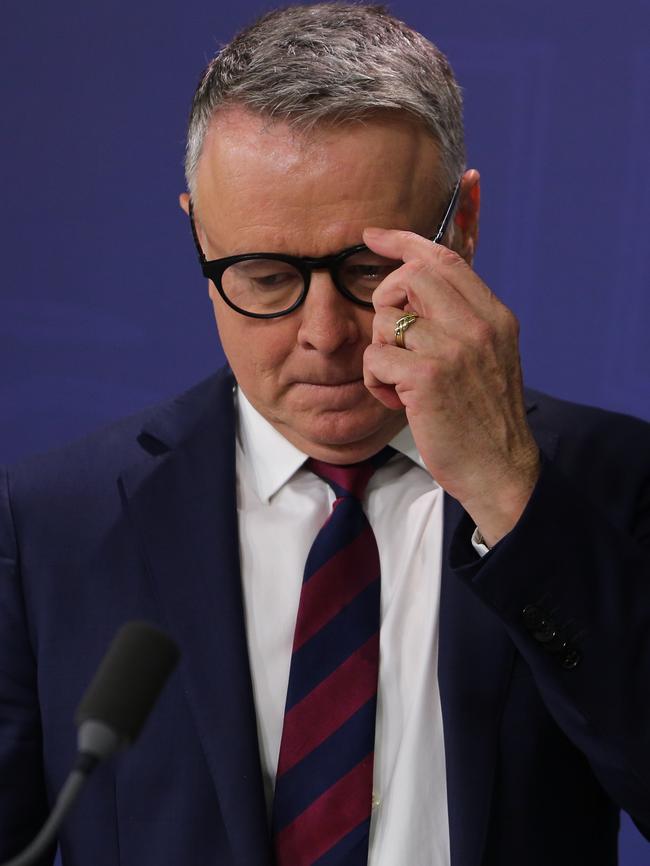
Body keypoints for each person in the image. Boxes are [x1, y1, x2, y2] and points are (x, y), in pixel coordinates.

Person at [1, 4, 648, 865]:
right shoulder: (51, 523)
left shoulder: (617, 483)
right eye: (265, 276)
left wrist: (507, 488)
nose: (326, 334)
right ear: (198, 232)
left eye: (369, 271)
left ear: (462, 225)